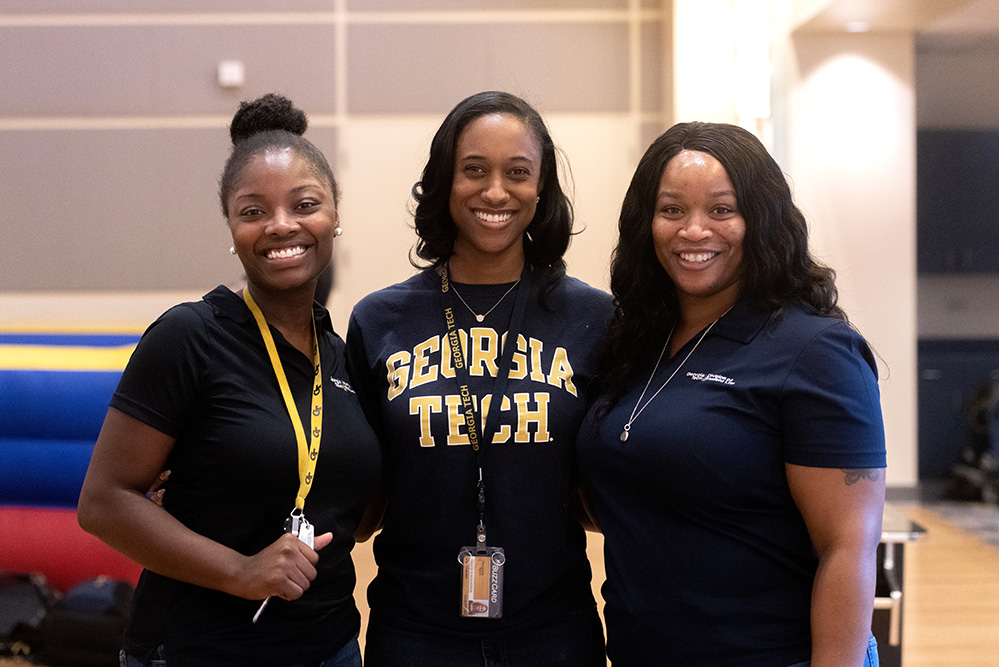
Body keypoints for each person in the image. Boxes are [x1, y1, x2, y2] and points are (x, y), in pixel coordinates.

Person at [77, 93, 382, 667]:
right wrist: (241, 570)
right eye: (253, 211)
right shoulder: (189, 336)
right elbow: (103, 503)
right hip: (201, 647)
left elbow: (357, 511)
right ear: (232, 227)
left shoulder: (343, 357)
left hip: (331, 646)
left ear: (335, 215)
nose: (281, 225)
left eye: (304, 204)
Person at [576, 121, 887, 667]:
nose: (694, 231)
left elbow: (848, 547)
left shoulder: (815, 351)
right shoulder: (634, 345)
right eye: (672, 210)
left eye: (722, 210)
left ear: (761, 221)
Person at [345, 91, 612, 666]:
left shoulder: (593, 319)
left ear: (541, 190)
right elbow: (355, 483)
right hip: (414, 635)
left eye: (518, 172)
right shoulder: (378, 319)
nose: (496, 191)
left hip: (554, 632)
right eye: (474, 170)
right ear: (444, 181)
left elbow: (616, 473)